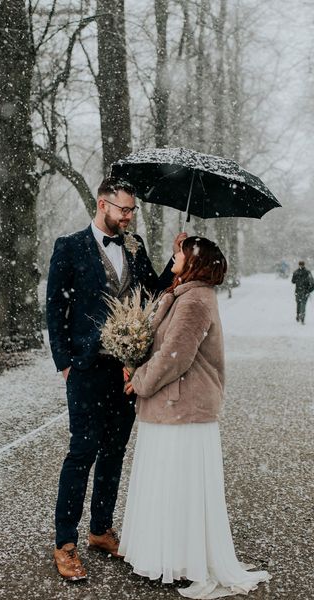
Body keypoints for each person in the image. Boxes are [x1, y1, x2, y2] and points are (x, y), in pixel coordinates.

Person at [46, 177, 185, 581]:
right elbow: (55, 308)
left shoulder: (135, 245)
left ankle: (100, 530)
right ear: (102, 203)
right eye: (123, 209)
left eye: (132, 211)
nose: (128, 217)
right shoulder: (69, 247)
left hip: (126, 370)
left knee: (114, 451)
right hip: (87, 368)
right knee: (82, 452)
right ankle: (65, 543)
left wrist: (174, 262)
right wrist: (65, 362)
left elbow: (155, 291)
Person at [120, 236, 271, 598]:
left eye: (179, 254)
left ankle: (181, 559)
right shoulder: (184, 295)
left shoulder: (196, 301)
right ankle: (165, 554)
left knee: (177, 484)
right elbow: (160, 341)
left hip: (182, 406)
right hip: (172, 405)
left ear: (193, 263)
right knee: (167, 481)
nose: (172, 256)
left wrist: (139, 380)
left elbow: (175, 356)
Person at [291, 260, 314, 324]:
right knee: (303, 304)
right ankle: (302, 317)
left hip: (298, 291)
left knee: (299, 304)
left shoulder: (296, 272)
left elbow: (293, 281)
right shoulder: (308, 272)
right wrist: (309, 290)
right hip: (305, 291)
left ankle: (298, 315)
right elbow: (312, 282)